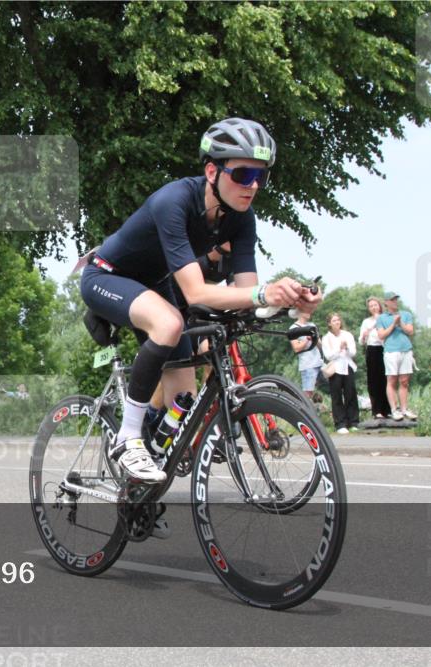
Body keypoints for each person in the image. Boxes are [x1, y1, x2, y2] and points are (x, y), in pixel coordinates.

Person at [80, 117, 321, 483]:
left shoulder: (242, 219)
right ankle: (127, 440)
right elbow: (195, 292)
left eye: (261, 176)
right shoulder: (174, 200)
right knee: (169, 323)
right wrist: (263, 293)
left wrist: (289, 302)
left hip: (156, 285)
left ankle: (141, 480)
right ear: (212, 171)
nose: (253, 185)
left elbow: (246, 295)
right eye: (243, 174)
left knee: (183, 403)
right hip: (107, 276)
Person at [377, 292, 417, 420]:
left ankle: (404, 409)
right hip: (391, 351)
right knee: (392, 380)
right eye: (392, 300)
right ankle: (394, 410)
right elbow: (381, 335)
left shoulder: (406, 314)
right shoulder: (381, 318)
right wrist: (393, 324)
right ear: (386, 302)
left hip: (406, 349)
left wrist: (401, 323)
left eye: (396, 299)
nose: (395, 302)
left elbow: (410, 331)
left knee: (404, 381)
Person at [322, 313, 360, 434]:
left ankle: (353, 422)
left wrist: (346, 347)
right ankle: (340, 423)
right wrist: (339, 348)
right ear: (329, 323)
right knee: (337, 396)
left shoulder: (347, 335)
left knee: (351, 393)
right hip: (335, 368)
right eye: (334, 320)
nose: (337, 322)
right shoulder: (326, 338)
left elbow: (353, 353)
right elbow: (328, 356)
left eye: (338, 320)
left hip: (348, 366)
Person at [358, 296, 390, 419]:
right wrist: (364, 335)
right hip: (371, 350)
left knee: (386, 379)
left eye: (375, 305)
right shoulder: (366, 322)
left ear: (379, 306)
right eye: (371, 306)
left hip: (384, 349)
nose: (373, 307)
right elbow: (361, 341)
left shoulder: (385, 318)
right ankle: (377, 410)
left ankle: (388, 409)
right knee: (373, 380)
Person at [289, 310, 323, 401]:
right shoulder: (293, 328)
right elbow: (296, 348)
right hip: (307, 364)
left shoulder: (312, 325)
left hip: (319, 362)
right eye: (306, 310)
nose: (309, 312)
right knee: (308, 392)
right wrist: (307, 339)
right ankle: (305, 408)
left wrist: (316, 338)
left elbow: (320, 345)